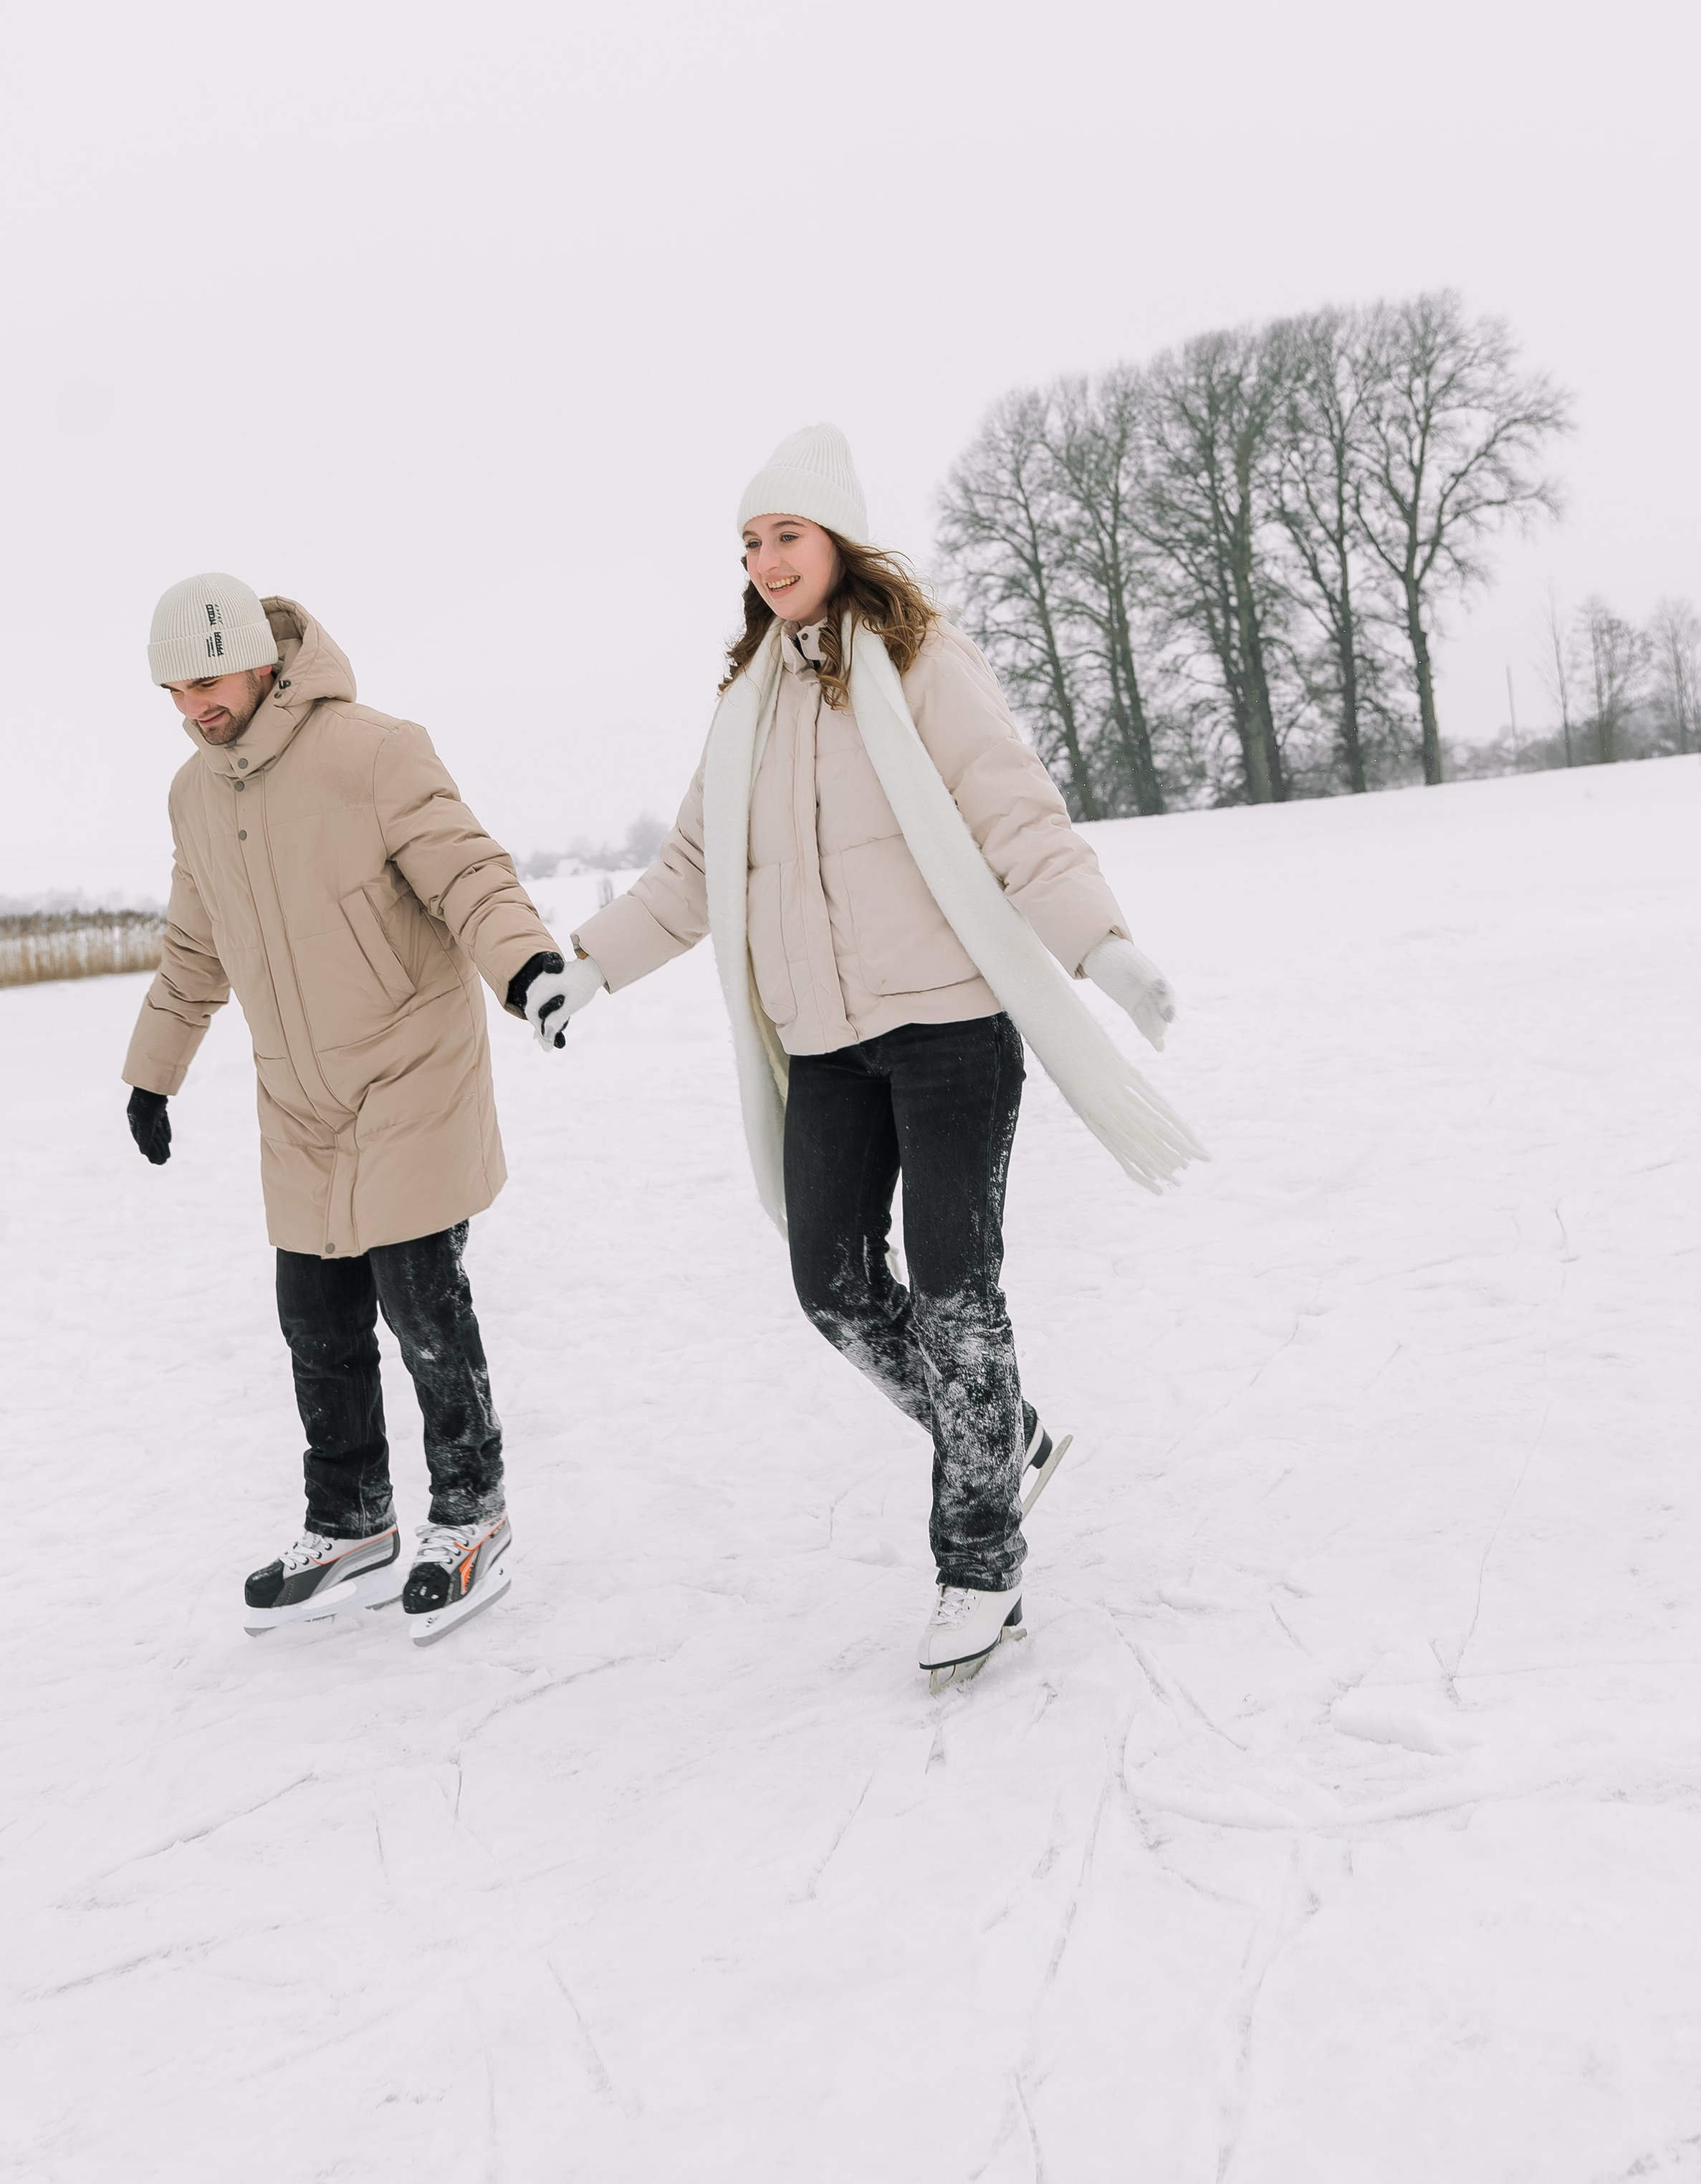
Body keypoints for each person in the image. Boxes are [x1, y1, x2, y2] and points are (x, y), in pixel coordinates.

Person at [530, 426, 1202, 1683]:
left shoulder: (922, 663)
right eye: (748, 543)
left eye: (784, 533)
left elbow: (1017, 817)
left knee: (956, 1291)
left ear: (836, 536)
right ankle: (1002, 1432)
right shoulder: (745, 706)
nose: (765, 558)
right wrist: (593, 961)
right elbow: (692, 873)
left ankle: (980, 1559)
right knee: (830, 1284)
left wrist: (1100, 948)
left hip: (951, 1028)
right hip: (827, 1048)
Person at [123, 573, 576, 1644]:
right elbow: (194, 949)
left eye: (205, 681)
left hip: (411, 1062)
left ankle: (472, 1510)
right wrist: (153, 1071)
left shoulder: (375, 749)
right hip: (300, 1091)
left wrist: (527, 968)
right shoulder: (196, 796)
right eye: (171, 692)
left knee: (420, 1297)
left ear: (260, 659)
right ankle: (352, 1520)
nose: (192, 709)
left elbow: (468, 872)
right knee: (314, 1317)